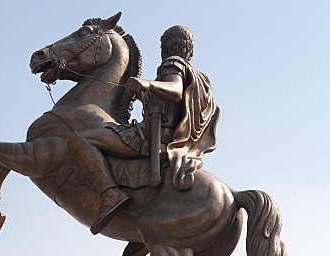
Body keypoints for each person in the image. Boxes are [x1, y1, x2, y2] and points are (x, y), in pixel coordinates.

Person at [66, 24, 218, 236]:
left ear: (165, 47)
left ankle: (110, 194)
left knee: (80, 141)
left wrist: (147, 84)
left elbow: (174, 91)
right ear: (190, 50)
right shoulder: (201, 79)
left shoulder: (172, 64)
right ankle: (140, 234)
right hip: (176, 141)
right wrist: (145, 96)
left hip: (150, 138)